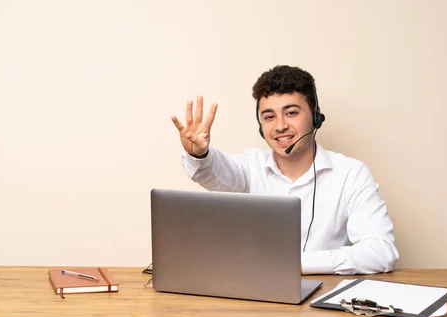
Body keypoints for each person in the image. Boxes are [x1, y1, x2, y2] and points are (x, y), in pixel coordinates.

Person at [170, 65, 399, 275]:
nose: (280, 126)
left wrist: (296, 263)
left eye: (291, 113)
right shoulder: (251, 165)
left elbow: (381, 252)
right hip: (257, 297)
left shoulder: (351, 173)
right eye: (269, 117)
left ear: (316, 116)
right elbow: (213, 173)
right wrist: (198, 153)